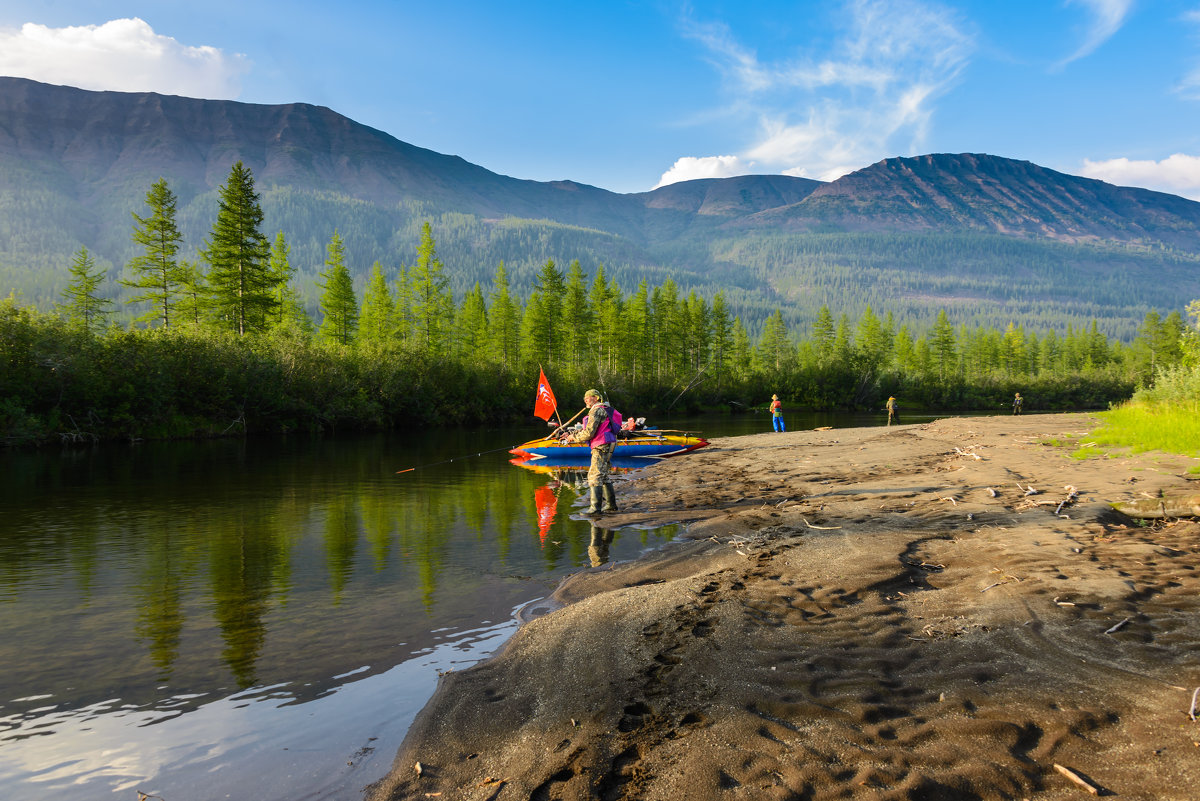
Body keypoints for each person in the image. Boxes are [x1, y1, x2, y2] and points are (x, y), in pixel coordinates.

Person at [563, 389, 620, 515]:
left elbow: (589, 433)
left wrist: (573, 438)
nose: (585, 400)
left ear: (595, 398)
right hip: (607, 443)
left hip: (601, 445)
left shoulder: (596, 410)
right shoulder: (604, 408)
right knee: (603, 475)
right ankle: (611, 505)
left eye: (587, 397)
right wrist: (573, 434)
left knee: (594, 475)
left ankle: (595, 509)